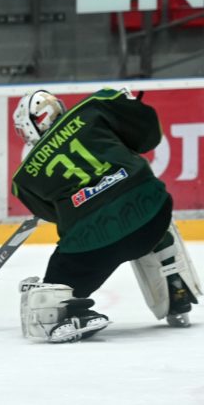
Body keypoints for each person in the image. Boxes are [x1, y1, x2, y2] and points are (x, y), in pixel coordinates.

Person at [11, 88, 201, 343]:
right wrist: (131, 109)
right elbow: (148, 138)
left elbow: (56, 216)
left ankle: (67, 309)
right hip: (151, 217)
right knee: (152, 213)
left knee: (56, 288)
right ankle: (176, 292)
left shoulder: (24, 179)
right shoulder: (95, 107)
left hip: (94, 243)